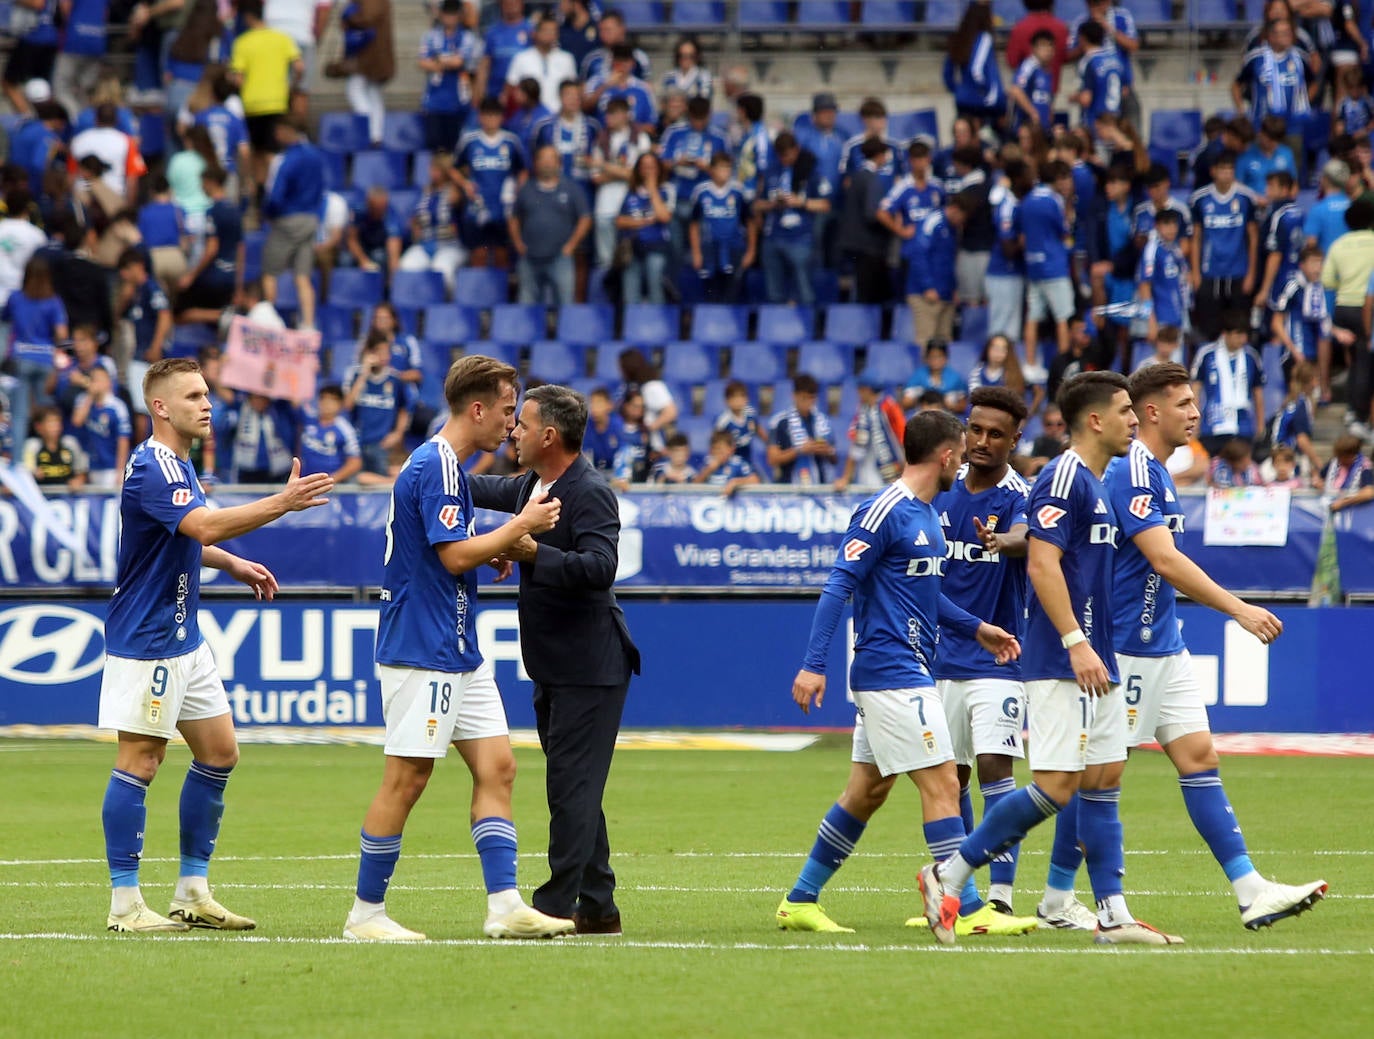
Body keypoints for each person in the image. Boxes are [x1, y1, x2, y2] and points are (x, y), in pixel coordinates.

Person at [918, 371, 1185, 947]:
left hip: (1101, 654)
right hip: (1062, 659)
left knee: (1105, 778)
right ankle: (950, 874)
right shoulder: (1063, 478)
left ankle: (1113, 915)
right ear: (1094, 420)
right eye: (1123, 411)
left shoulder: (1098, 478)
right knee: (1057, 786)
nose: (1134, 420)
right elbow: (1041, 564)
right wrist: (1074, 641)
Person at [344, 355, 574, 942]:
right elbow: (450, 557)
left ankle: (504, 906)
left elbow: (447, 543)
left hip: (457, 646)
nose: (510, 424)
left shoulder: (442, 466)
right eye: (504, 410)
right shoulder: (439, 465)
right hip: (422, 646)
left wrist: (486, 541)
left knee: (498, 767)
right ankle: (365, 915)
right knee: (408, 779)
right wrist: (516, 526)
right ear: (477, 409)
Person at [98, 357, 332, 933]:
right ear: (161, 407)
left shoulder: (179, 464)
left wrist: (231, 562)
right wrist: (282, 502)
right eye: (194, 396)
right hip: (149, 639)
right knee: (142, 761)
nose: (208, 404)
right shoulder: (154, 466)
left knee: (220, 752)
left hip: (185, 635)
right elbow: (200, 526)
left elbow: (185, 537)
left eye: (207, 394)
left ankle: (192, 892)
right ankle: (125, 905)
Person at [775, 409, 1026, 935]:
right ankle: (972, 907)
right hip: (891, 672)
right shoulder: (884, 509)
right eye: (961, 449)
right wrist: (813, 664)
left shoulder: (929, 515)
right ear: (948, 455)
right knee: (941, 783)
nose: (963, 460)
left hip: (910, 667)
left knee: (866, 792)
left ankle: (800, 900)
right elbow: (838, 584)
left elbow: (927, 598)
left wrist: (978, 628)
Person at [1100, 362, 1328, 925]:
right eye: (1183, 403)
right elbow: (1163, 559)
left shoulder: (1159, 472)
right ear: (1151, 411)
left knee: (1199, 758)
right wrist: (1240, 609)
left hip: (1163, 644)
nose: (1196, 413)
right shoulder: (1130, 470)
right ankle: (1062, 899)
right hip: (1125, 646)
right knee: (1095, 779)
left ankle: (1250, 890)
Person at [932, 386, 1095, 926]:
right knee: (947, 780)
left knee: (995, 772)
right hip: (938, 659)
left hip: (999, 659)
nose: (981, 442)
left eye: (995, 434)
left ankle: (1000, 897)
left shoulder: (1021, 494)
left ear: (1015, 438)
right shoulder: (940, 491)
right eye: (974, 430)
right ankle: (958, 895)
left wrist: (1005, 542)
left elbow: (1033, 535)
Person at [230, 0, 305, 188]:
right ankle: (275, 188)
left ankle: (261, 192)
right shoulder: (282, 38)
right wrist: (291, 86)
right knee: (274, 151)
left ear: (247, 17)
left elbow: (238, 78)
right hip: (277, 102)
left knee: (257, 152)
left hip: (252, 105)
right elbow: (299, 66)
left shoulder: (242, 42)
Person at [261, 117, 324, 332]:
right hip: (310, 219)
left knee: (270, 272)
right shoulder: (316, 155)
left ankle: (268, 323)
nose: (276, 136)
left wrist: (268, 212)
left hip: (288, 219)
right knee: (302, 275)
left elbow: (276, 195)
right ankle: (308, 324)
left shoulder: (288, 159)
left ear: (288, 130)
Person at [1190, 150, 1259, 344]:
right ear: (1213, 171)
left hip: (1238, 271)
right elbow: (1196, 237)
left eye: (1230, 170)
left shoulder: (1246, 197)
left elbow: (1253, 237)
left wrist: (1251, 273)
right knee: (1210, 328)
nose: (1226, 174)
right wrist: (1195, 272)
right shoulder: (1200, 199)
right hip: (1209, 271)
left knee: (1239, 325)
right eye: (1222, 170)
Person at [757, 131, 830, 307]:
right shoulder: (771, 171)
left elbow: (826, 204)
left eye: (787, 155)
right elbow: (756, 205)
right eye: (780, 155)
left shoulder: (810, 170)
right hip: (774, 236)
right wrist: (772, 204)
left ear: (796, 150)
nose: (784, 159)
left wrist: (801, 202)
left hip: (800, 238)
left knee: (804, 290)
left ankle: (808, 330)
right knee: (774, 292)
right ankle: (776, 330)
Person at [455, 97, 529, 270]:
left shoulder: (511, 141)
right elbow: (454, 168)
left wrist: (519, 189)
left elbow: (523, 169)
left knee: (501, 253)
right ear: (480, 117)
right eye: (487, 116)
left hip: (503, 207)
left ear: (501, 118)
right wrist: (465, 184)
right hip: (477, 206)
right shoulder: (470, 140)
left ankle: (500, 293)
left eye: (495, 116)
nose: (491, 120)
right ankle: (479, 292)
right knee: (478, 253)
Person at [1021, 161, 1077, 382]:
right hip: (1054, 266)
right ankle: (1064, 367)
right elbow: (1064, 230)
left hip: (1033, 265)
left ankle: (1030, 363)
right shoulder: (1054, 200)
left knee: (1033, 316)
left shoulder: (1026, 200)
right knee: (1063, 317)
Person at [1192, 314, 1266, 454]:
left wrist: (1260, 426)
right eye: (1238, 335)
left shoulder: (1251, 356)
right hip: (1212, 426)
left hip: (1243, 427)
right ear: (1225, 334)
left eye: (1245, 335)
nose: (1243, 340)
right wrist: (1195, 425)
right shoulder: (1206, 355)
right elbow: (1195, 390)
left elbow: (1258, 393)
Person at [344, 331, 411, 484]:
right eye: (379, 352)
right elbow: (348, 405)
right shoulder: (355, 375)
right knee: (355, 484)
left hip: (382, 445)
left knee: (382, 491)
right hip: (357, 443)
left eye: (386, 352)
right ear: (369, 353)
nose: (384, 356)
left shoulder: (394, 379)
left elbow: (405, 407)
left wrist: (398, 433)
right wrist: (364, 373)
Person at [907, 193, 972, 349]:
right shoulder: (932, 222)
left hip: (946, 294)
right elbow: (918, 255)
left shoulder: (953, 229)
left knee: (945, 343)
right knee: (926, 342)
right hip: (925, 294)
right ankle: (926, 374)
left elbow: (950, 260)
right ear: (955, 209)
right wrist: (927, 286)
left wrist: (953, 288)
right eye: (962, 217)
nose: (963, 222)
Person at [689, 151, 753, 303]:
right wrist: (696, 252)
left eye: (728, 168)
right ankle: (712, 324)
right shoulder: (701, 192)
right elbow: (694, 224)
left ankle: (732, 324)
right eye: (721, 168)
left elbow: (750, 222)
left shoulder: (738, 191)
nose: (725, 172)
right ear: (711, 170)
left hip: (734, 247)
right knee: (710, 290)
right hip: (709, 248)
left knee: (733, 290)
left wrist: (751, 250)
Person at [419, 0, 482, 154]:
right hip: (434, 101)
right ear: (441, 14)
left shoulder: (467, 37)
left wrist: (438, 59)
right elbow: (422, 62)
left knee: (455, 148)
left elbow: (459, 61)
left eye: (453, 13)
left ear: (459, 15)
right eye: (447, 13)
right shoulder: (431, 36)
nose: (450, 17)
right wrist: (446, 61)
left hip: (458, 101)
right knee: (435, 147)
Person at [615, 152, 673, 305]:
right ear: (638, 170)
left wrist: (652, 189)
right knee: (630, 292)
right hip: (632, 248)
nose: (648, 170)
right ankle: (632, 325)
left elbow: (664, 216)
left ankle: (658, 326)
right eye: (644, 167)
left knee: (655, 287)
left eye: (652, 167)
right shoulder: (630, 192)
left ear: (659, 169)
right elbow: (620, 221)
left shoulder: (666, 190)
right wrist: (645, 221)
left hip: (656, 247)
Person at [834, 373, 905, 492]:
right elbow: (856, 445)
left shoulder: (888, 408)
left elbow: (903, 440)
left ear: (866, 390)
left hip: (886, 477)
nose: (858, 393)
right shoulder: (864, 410)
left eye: (860, 389)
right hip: (869, 476)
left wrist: (845, 478)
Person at [340, 0, 395, 148]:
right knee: (372, 93)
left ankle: (369, 132)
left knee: (355, 89)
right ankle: (375, 136)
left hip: (369, 54)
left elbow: (368, 17)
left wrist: (348, 16)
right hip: (373, 54)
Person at [943, 1, 1006, 129]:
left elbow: (947, 73)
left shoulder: (959, 38)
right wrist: (993, 97)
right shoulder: (984, 38)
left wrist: (959, 90)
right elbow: (976, 70)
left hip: (963, 102)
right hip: (984, 104)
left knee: (965, 141)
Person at [767, 373, 836, 485]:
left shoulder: (823, 421)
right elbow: (772, 459)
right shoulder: (779, 422)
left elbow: (834, 460)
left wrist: (827, 451)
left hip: (820, 489)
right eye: (804, 398)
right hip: (789, 490)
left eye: (811, 398)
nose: (808, 403)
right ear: (794, 396)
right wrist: (799, 450)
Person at [71, 365, 131, 489]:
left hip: (110, 467)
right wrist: (90, 396)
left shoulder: (117, 406)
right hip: (89, 465)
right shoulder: (84, 400)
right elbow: (77, 421)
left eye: (99, 380)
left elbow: (123, 440)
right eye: (93, 380)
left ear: (108, 382)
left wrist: (120, 470)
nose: (95, 383)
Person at [505, 14, 577, 118]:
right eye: (545, 30)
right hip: (530, 117)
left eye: (553, 31)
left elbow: (572, 90)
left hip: (559, 116)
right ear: (535, 33)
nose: (549, 34)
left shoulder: (567, 59)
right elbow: (510, 90)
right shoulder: (521, 58)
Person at [299, 383, 362, 482]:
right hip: (303, 482)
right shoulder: (308, 419)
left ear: (340, 404)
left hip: (330, 489)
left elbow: (355, 462)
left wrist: (331, 479)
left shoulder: (346, 430)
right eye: (323, 398)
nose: (327, 403)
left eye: (332, 400)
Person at [22, 405, 87, 489]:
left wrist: (78, 480)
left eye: (57, 422)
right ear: (38, 427)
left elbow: (81, 470)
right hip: (40, 495)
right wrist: (33, 473)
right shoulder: (32, 446)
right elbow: (26, 470)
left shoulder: (70, 443)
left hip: (67, 497)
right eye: (50, 422)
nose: (54, 427)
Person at [902, 339, 969, 414]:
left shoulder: (955, 379)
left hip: (946, 418)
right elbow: (905, 403)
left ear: (946, 358)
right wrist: (920, 399)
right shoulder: (918, 376)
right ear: (926, 358)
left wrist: (950, 405)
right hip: (922, 417)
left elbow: (963, 406)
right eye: (932, 356)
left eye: (939, 356)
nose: (936, 360)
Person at [1010, 31, 1056, 133]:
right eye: (1043, 46)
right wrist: (1033, 113)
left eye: (1050, 46)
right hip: (1028, 129)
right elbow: (1016, 90)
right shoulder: (1030, 65)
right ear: (1034, 48)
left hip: (1042, 130)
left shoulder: (1047, 71)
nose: (1048, 50)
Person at [695, 428, 759, 496]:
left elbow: (755, 480)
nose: (717, 453)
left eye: (720, 450)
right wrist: (708, 470)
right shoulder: (707, 462)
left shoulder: (738, 463)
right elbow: (694, 484)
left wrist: (736, 482)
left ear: (731, 449)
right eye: (714, 449)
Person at [1325, 432, 1374, 510]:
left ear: (1352, 455)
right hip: (1329, 509)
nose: (1340, 460)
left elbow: (1369, 492)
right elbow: (1319, 477)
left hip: (1353, 513)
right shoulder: (1334, 462)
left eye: (1342, 457)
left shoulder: (1365, 467)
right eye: (1338, 456)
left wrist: (1343, 503)